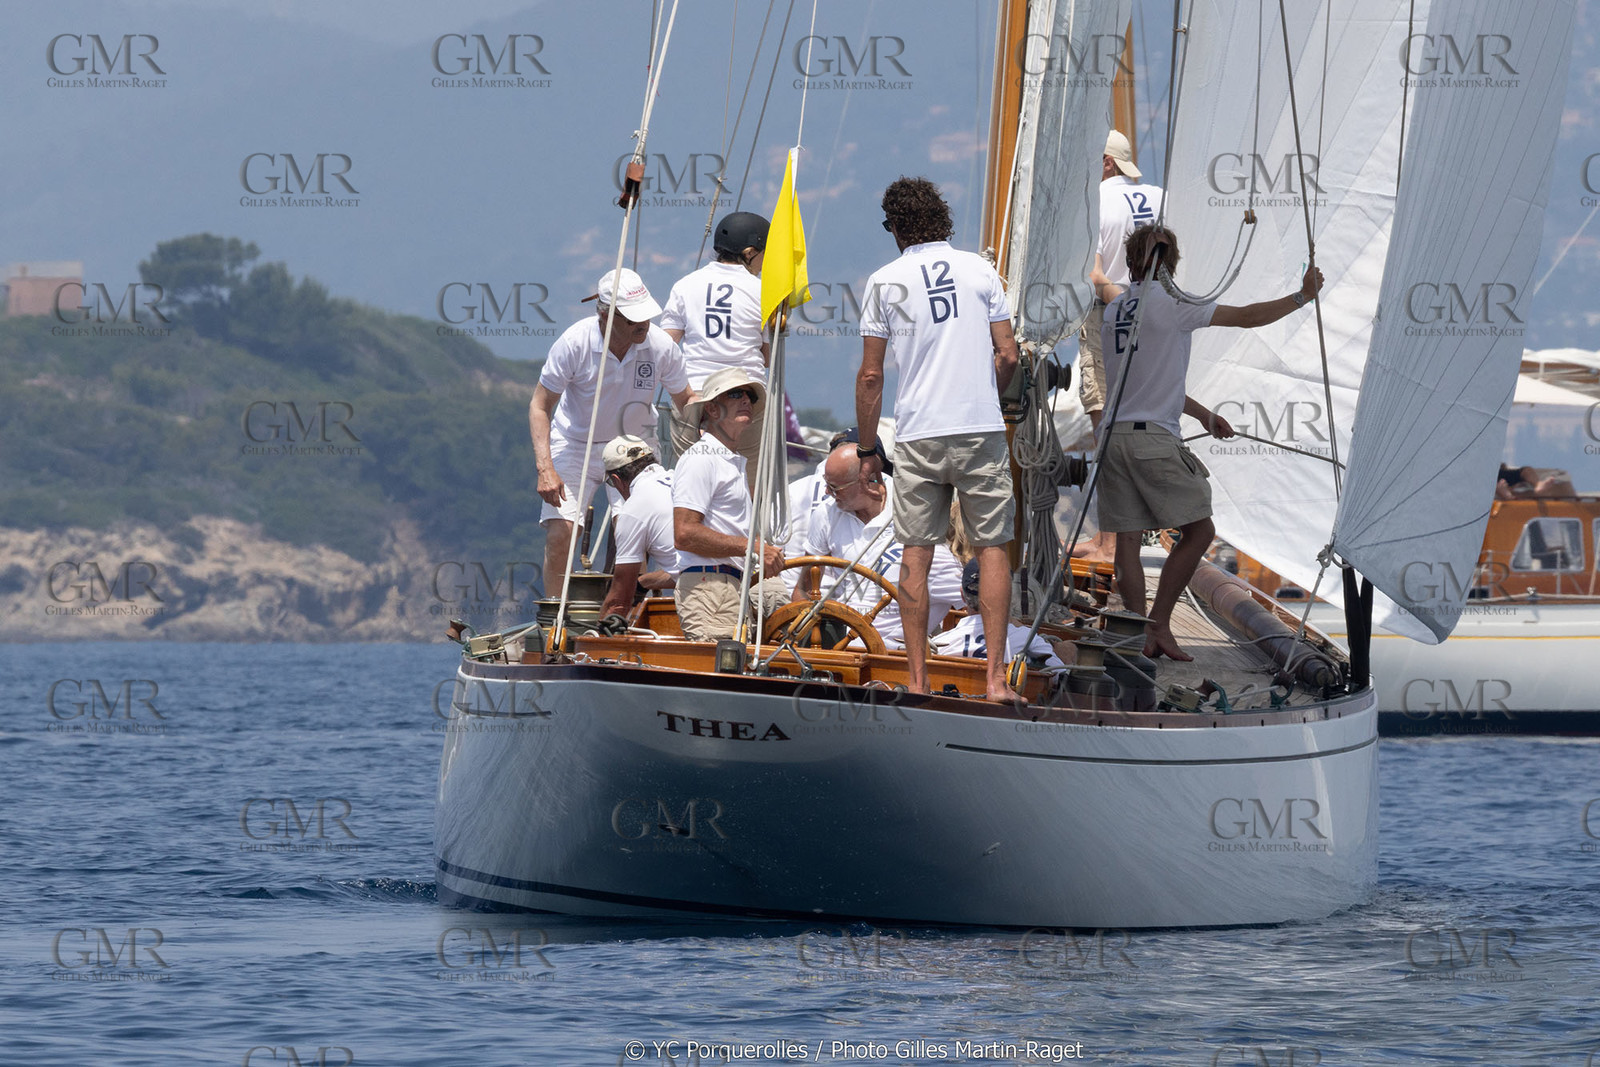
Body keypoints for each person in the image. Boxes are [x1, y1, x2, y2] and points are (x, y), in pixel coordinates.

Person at [1098, 223, 1323, 661]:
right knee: (1200, 531)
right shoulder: (1174, 305)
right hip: (1152, 441)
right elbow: (1248, 317)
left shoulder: (1114, 311)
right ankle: (1159, 624)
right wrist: (1302, 296)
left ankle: (1135, 634)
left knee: (1126, 537)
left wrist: (1204, 415)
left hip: (1112, 437)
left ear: (1130, 262)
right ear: (1169, 263)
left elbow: (1148, 381)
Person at [854, 176, 1021, 701]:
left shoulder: (884, 281)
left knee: (916, 552)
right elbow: (1010, 354)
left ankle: (918, 681)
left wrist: (865, 449)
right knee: (993, 548)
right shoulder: (981, 269)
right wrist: (987, 396)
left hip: (920, 432)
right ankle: (995, 680)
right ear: (942, 219)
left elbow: (871, 376)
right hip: (980, 429)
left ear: (897, 227)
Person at [530, 269, 694, 593]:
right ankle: (554, 621)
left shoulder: (660, 345)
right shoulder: (575, 343)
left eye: (646, 315)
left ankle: (634, 619)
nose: (643, 324)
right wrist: (545, 469)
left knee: (636, 531)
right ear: (605, 315)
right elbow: (539, 405)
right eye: (633, 318)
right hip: (576, 442)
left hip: (635, 445)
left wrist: (709, 438)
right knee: (562, 532)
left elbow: (686, 399)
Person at [1073, 130, 1166, 564]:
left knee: (1106, 430)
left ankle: (1110, 542)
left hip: (1109, 314)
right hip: (1162, 314)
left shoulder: (1094, 204)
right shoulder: (1161, 197)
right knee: (1146, 425)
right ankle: (1131, 535)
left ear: (1106, 162)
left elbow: (1092, 275)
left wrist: (1124, 305)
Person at [793, 445, 960, 650]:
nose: (827, 493)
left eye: (835, 487)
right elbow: (803, 588)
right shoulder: (827, 512)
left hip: (888, 651)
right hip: (838, 637)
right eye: (827, 485)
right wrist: (802, 636)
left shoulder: (911, 508)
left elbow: (972, 606)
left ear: (867, 482)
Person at [672, 367, 790, 641]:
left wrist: (763, 552)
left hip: (728, 587)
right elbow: (684, 533)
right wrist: (755, 548)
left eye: (749, 395)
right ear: (712, 410)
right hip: (710, 589)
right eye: (736, 394)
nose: (746, 400)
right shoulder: (702, 458)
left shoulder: (730, 462)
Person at [661, 212, 771, 463]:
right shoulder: (764, 292)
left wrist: (684, 394)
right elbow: (767, 358)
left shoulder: (685, 285)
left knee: (690, 484)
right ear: (750, 252)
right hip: (747, 395)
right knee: (748, 488)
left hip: (694, 393)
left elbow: (665, 349)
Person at [933, 560, 1070, 667]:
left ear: (962, 596)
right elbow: (1058, 673)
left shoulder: (940, 644)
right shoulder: (1028, 640)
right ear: (1007, 597)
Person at [598, 435, 677, 618]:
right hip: (746, 581)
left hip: (706, 599)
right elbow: (691, 568)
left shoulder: (632, 511)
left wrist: (597, 632)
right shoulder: (679, 478)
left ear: (616, 480)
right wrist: (644, 582)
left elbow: (618, 603)